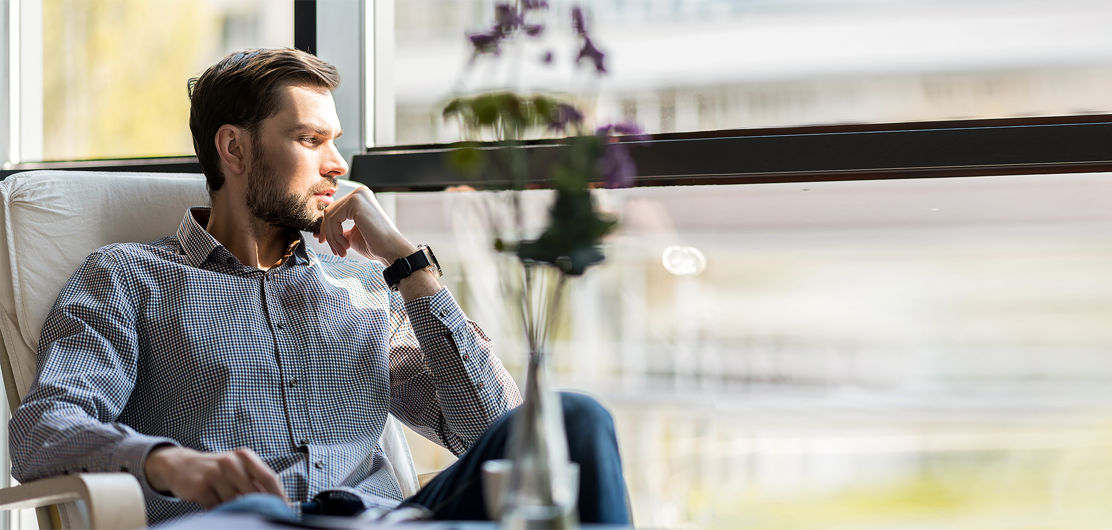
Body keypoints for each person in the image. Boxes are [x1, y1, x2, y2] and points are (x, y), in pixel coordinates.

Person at [8, 48, 629, 526]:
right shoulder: (127, 277)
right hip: (243, 522)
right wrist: (171, 462)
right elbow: (44, 429)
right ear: (234, 148)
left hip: (384, 519)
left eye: (336, 141)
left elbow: (489, 428)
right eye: (310, 140)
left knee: (573, 420)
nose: (338, 164)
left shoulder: (362, 285)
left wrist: (408, 264)